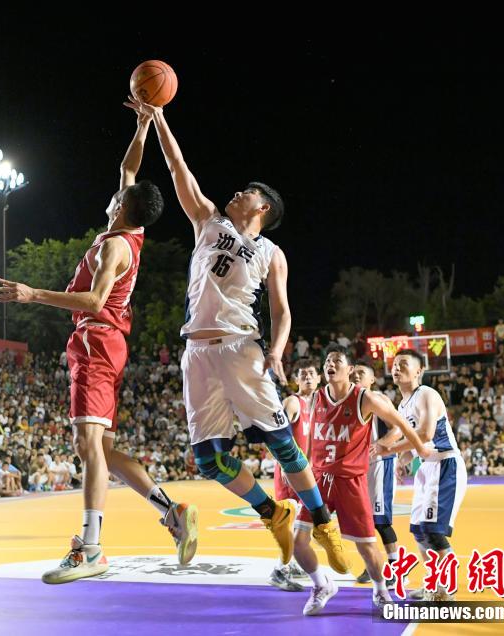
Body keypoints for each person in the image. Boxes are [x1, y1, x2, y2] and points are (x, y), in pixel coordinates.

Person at [126, 96, 347, 577]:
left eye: (246, 192)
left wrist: (277, 350)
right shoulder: (208, 220)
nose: (235, 193)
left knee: (283, 446)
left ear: (262, 206)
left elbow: (282, 311)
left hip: (240, 348)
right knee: (209, 461)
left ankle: (325, 524)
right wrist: (158, 118)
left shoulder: (270, 251)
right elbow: (177, 166)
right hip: (196, 353)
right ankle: (273, 515)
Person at [0, 105, 196, 584]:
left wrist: (32, 294)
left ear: (122, 206)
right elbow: (129, 169)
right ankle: (171, 511)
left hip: (96, 341)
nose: (114, 193)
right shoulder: (131, 230)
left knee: (88, 446)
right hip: (107, 343)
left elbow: (95, 298)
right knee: (103, 446)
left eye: (119, 195)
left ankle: (92, 549)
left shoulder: (114, 246)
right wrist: (143, 124)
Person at [290, 345, 431, 616]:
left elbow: (401, 423)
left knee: (366, 545)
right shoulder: (315, 398)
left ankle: (380, 589)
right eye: (327, 361)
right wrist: (303, 474)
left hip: (350, 482)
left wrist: (418, 448)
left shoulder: (366, 399)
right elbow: (309, 444)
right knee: (298, 541)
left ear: (349, 369)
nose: (330, 364)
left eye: (337, 361)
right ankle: (321, 585)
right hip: (318, 480)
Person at [384, 349, 468, 602]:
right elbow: (414, 445)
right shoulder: (402, 404)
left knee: (433, 531)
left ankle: (446, 589)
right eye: (395, 364)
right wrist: (403, 461)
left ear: (419, 370)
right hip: (427, 468)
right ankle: (435, 585)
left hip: (446, 466)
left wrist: (388, 448)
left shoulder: (427, 394)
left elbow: (427, 435)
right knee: (419, 531)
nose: (397, 368)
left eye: (404, 364)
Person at [268, 359, 319, 592]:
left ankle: (292, 562)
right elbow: (279, 434)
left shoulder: (317, 405)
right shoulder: (293, 402)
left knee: (302, 520)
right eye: (303, 374)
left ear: (319, 378)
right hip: (291, 470)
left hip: (305, 470)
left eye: (311, 373)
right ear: (295, 380)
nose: (308, 377)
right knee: (290, 518)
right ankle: (280, 570)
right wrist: (285, 464)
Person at [350, 364, 400, 586]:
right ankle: (372, 566)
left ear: (372, 379)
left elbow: (397, 428)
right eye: (353, 373)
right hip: (360, 467)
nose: (355, 375)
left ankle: (396, 569)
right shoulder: (348, 400)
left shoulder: (378, 398)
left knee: (380, 520)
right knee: (363, 521)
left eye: (362, 373)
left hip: (380, 463)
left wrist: (380, 445)